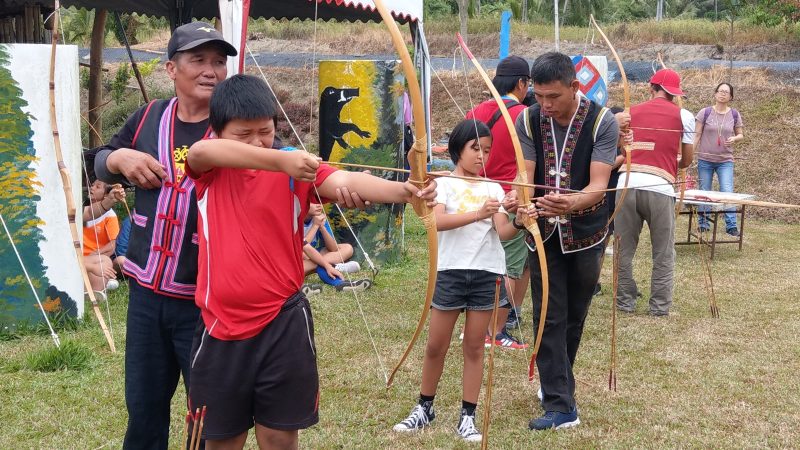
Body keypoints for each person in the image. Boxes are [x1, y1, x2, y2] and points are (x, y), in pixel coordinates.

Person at [184, 74, 438, 450]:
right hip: (222, 326)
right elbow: (201, 155)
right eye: (244, 134)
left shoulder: (295, 169)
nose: (257, 140)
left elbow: (344, 180)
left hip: (283, 321)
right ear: (217, 130)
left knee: (280, 435)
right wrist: (279, 161)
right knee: (221, 439)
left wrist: (405, 191)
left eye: (266, 131)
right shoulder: (213, 166)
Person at [92, 21, 239, 449]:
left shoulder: (236, 126)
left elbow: (279, 167)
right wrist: (119, 156)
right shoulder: (149, 117)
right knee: (143, 407)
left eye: (218, 62)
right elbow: (96, 161)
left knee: (207, 412)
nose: (211, 70)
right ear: (172, 69)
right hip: (145, 296)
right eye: (198, 60)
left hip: (205, 300)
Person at [393, 119, 523, 443]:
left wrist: (520, 219)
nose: (482, 156)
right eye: (475, 149)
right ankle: (425, 407)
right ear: (458, 149)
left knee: (475, 347)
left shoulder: (493, 188)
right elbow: (436, 222)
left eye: (487, 151)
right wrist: (478, 213)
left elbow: (503, 231)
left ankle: (468, 416)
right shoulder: (443, 184)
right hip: (451, 272)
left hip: (486, 273)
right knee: (436, 345)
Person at [515, 52, 619, 430]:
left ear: (575, 87)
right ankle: (561, 405)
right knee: (548, 315)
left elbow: (597, 185)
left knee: (574, 316)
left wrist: (571, 201)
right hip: (543, 237)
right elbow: (525, 177)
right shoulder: (527, 119)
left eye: (553, 97)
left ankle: (559, 383)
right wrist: (521, 201)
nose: (544, 105)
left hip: (588, 233)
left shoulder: (602, 122)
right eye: (539, 96)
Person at [615, 68, 694, 317]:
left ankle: (624, 302)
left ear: (651, 88)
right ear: (674, 93)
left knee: (622, 248)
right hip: (660, 187)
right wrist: (673, 162)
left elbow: (621, 146)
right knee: (663, 251)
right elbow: (687, 160)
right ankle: (659, 307)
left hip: (626, 184)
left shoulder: (628, 114)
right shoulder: (685, 116)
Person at [465, 55, 530, 349]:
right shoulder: (525, 116)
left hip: (477, 195)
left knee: (488, 260)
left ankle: (498, 318)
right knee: (510, 265)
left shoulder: (476, 111)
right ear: (521, 83)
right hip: (508, 198)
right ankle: (496, 330)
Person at [694, 82, 744, 236]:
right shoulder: (705, 112)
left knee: (727, 191)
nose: (723, 94)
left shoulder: (734, 114)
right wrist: (688, 153)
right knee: (704, 191)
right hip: (705, 159)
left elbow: (741, 134)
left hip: (725, 161)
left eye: (726, 92)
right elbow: (697, 135)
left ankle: (731, 226)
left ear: (731, 97)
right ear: (715, 94)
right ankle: (703, 224)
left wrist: (735, 139)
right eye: (720, 91)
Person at [302, 203, 371, 292]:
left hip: (311, 257)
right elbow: (302, 247)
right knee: (308, 257)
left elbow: (333, 248)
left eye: (319, 201)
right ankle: (338, 280)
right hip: (296, 262)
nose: (319, 205)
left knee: (347, 248)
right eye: (313, 202)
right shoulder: (293, 219)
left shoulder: (319, 218)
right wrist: (315, 226)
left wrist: (322, 227)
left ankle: (332, 266)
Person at [82, 180, 124, 295]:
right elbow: (90, 213)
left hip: (94, 257)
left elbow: (112, 245)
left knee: (104, 261)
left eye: (97, 187)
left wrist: (95, 253)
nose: (92, 188)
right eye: (92, 185)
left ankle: (96, 291)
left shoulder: (110, 216)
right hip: (77, 257)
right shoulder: (81, 208)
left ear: (106, 194)